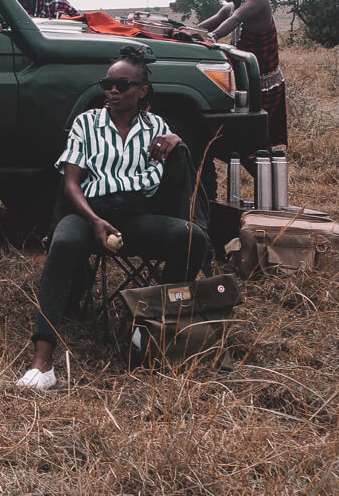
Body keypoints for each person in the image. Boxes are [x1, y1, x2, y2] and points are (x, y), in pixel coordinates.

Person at [17, 46, 208, 390]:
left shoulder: (156, 128)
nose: (113, 91)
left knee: (192, 237)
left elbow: (175, 167)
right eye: (108, 84)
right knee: (63, 243)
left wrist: (177, 141)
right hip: (88, 211)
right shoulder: (86, 123)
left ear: (142, 91)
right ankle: (42, 363)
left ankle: (148, 325)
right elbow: (71, 184)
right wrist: (93, 221)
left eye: (123, 85)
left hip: (134, 215)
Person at [195, 0, 287, 148]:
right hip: (244, 84)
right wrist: (178, 32)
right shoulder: (229, 8)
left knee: (253, 142)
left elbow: (235, 19)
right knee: (246, 141)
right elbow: (201, 28)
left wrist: (212, 37)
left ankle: (269, 176)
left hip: (265, 84)